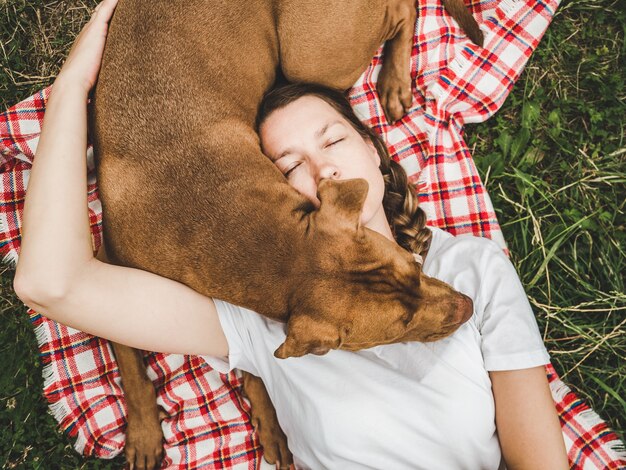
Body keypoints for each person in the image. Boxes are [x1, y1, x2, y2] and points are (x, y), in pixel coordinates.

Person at [13, 0, 569, 468]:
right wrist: (71, 89)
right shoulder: (265, 329)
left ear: (376, 151)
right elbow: (50, 283)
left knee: (316, 61)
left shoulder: (475, 267)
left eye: (333, 140)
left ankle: (399, 14)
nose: (326, 171)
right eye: (288, 164)